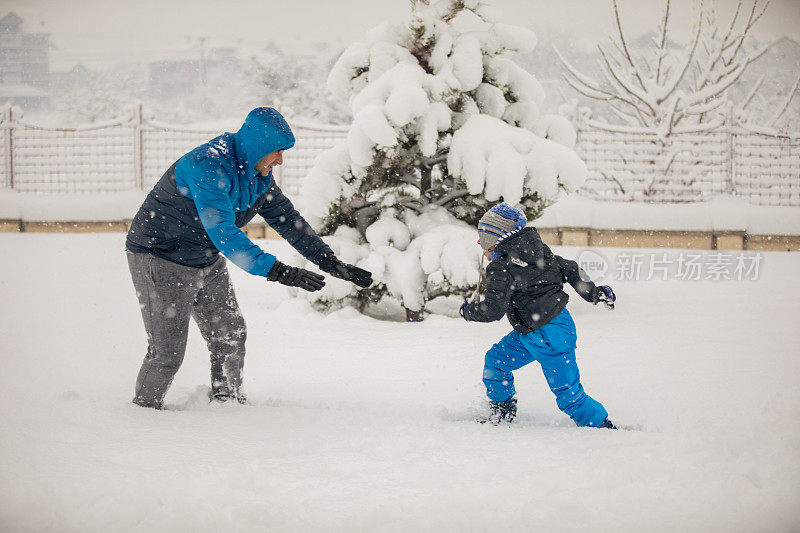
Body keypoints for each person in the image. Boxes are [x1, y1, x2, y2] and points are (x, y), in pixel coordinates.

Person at [125, 107, 372, 409]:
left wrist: (328, 260)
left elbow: (287, 220)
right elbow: (224, 233)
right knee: (167, 353)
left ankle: (228, 404)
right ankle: (142, 414)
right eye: (277, 152)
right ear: (258, 146)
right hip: (160, 258)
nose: (281, 160)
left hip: (205, 257)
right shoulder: (208, 166)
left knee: (230, 334)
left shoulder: (258, 177)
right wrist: (279, 271)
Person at [459, 202, 617, 428]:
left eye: (483, 236)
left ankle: (602, 427)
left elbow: (494, 310)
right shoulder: (539, 253)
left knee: (569, 396)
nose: (478, 242)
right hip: (535, 331)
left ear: (497, 237)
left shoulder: (501, 266)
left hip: (550, 336)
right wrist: (594, 293)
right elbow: (570, 268)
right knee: (496, 362)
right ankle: (503, 412)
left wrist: (468, 311)